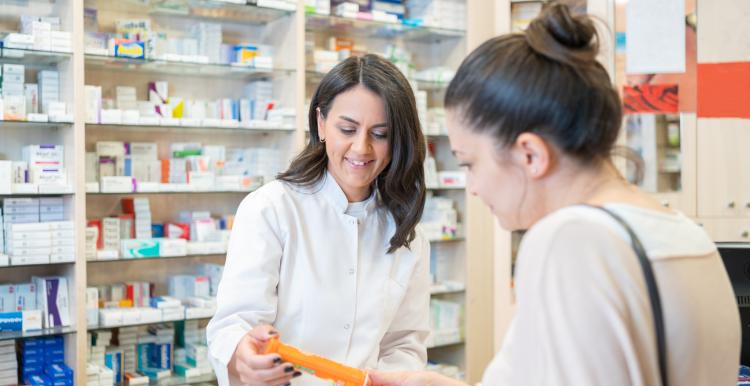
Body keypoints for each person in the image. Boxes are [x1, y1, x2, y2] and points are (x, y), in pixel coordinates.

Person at [370, 3, 741, 386]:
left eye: (469, 163)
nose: (474, 188)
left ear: (530, 154)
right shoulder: (682, 230)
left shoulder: (571, 239)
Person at [207, 54, 431, 386]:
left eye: (380, 134)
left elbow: (404, 342)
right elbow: (233, 324)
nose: (361, 147)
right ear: (322, 123)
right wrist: (244, 354)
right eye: (347, 129)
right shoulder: (271, 209)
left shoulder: (407, 233)